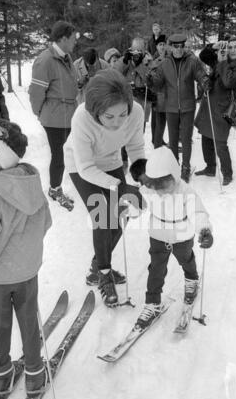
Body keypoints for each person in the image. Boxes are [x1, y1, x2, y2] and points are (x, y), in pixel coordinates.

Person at [64, 69, 146, 305]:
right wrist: (122, 188)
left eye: (122, 114)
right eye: (109, 117)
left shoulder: (136, 112)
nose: (117, 122)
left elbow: (135, 147)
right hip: (81, 165)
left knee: (122, 213)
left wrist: (142, 179)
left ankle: (96, 265)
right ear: (95, 110)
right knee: (102, 216)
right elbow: (86, 168)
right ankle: (104, 274)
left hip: (110, 162)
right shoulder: (82, 118)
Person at [0, 119, 52, 399]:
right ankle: (34, 374)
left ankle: (1, 376)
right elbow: (46, 221)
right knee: (28, 322)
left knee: (0, 326)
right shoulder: (31, 181)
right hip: (28, 271)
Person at [129, 147, 213, 328]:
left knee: (186, 259)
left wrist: (204, 230)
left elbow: (198, 212)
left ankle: (191, 280)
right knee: (156, 270)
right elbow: (139, 205)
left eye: (163, 185)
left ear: (173, 176)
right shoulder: (148, 189)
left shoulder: (186, 191)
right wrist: (129, 210)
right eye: (154, 185)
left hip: (182, 236)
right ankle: (152, 303)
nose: (159, 191)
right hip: (158, 236)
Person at [29, 20, 78, 211]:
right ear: (63, 38)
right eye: (73, 38)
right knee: (59, 156)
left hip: (68, 114)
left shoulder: (67, 57)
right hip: (55, 118)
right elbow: (36, 93)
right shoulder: (45, 60)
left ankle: (58, 187)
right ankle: (55, 189)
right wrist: (40, 113)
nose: (75, 42)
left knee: (67, 154)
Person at [147, 33, 209, 183]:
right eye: (176, 47)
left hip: (188, 106)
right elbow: (158, 84)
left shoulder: (192, 61)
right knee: (173, 140)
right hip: (171, 107)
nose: (179, 49)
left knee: (186, 139)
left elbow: (200, 74)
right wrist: (150, 80)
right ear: (170, 47)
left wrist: (205, 81)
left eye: (181, 46)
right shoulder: (165, 63)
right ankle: (174, 166)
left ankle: (186, 167)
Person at [194, 37, 236, 185]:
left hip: (224, 108)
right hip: (210, 103)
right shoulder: (222, 58)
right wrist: (213, 46)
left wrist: (222, 61)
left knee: (220, 142)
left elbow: (228, 82)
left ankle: (227, 173)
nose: (232, 50)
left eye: (235, 47)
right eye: (230, 47)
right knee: (206, 137)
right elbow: (203, 56)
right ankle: (210, 167)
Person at [115, 37, 154, 124]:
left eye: (139, 50)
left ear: (144, 50)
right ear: (131, 49)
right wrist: (124, 61)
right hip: (126, 101)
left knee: (139, 132)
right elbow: (115, 74)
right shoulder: (126, 59)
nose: (136, 53)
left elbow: (150, 80)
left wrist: (142, 65)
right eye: (135, 50)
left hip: (142, 101)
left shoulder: (149, 61)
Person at [150, 34, 168, 148]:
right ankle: (157, 142)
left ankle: (158, 139)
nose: (162, 46)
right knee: (158, 120)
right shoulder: (153, 60)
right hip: (158, 94)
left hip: (167, 93)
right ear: (156, 46)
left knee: (160, 120)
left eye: (163, 44)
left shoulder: (169, 57)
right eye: (160, 44)